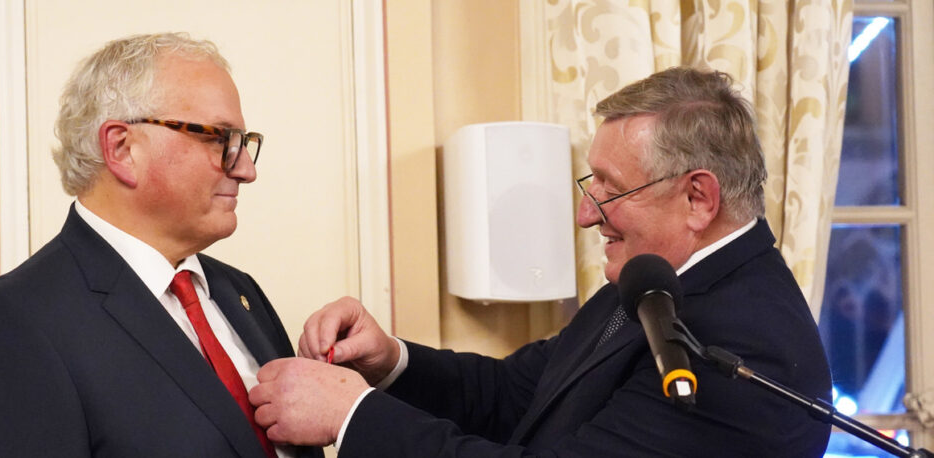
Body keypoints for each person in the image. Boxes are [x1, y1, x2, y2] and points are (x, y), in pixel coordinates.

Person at [247, 67, 833, 457]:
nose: (585, 213)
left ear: (697, 198)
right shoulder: (657, 281)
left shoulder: (751, 347)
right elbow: (517, 394)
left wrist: (353, 416)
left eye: (610, 188)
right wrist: (390, 361)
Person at [0, 33, 322, 458]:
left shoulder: (238, 292)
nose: (246, 170)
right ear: (121, 148)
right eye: (219, 139)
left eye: (243, 143)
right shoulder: (11, 325)